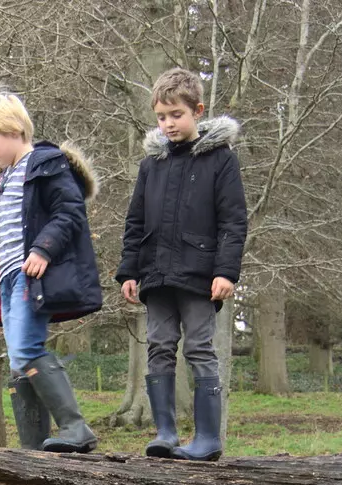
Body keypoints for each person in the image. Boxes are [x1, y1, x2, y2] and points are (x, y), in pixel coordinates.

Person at [116, 67, 248, 460]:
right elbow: (135, 221)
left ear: (198, 111)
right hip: (155, 275)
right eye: (162, 116)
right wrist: (128, 270)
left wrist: (226, 271)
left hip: (199, 276)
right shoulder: (150, 165)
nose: (169, 123)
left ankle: (208, 438)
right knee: (158, 347)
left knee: (199, 348)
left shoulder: (221, 161)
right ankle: (165, 433)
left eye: (177, 115)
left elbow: (233, 220)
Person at [0, 92, 103, 453]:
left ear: (12, 130)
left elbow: (70, 212)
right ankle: (35, 447)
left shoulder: (45, 165)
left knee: (26, 348)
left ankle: (75, 427)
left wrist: (43, 248)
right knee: (17, 359)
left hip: (32, 277)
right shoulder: (3, 181)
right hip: (9, 279)